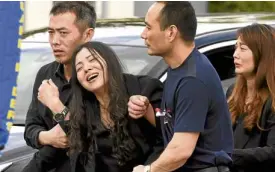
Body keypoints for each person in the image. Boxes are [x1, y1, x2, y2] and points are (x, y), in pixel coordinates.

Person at [129, 1, 233, 172]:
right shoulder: (179, 70)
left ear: (171, 32)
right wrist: (146, 110)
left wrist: (148, 170)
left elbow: (181, 150)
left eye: (148, 27)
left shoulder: (193, 79)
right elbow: (176, 124)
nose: (143, 34)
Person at [66, 41, 163, 172]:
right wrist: (55, 105)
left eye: (92, 60)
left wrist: (149, 168)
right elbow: (81, 156)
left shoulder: (143, 88)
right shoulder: (84, 109)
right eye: (79, 68)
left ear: (109, 61)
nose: (86, 68)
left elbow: (171, 137)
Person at [23, 2, 96, 172]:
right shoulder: (46, 74)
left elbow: (81, 135)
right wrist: (46, 137)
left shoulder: (99, 77)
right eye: (51, 33)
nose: (55, 41)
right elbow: (31, 128)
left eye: (63, 33)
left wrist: (55, 105)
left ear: (87, 35)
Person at [226, 23, 275, 172]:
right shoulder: (232, 93)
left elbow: (272, 152)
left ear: (262, 54)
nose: (235, 54)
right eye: (236, 47)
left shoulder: (272, 100)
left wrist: (227, 156)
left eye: (243, 48)